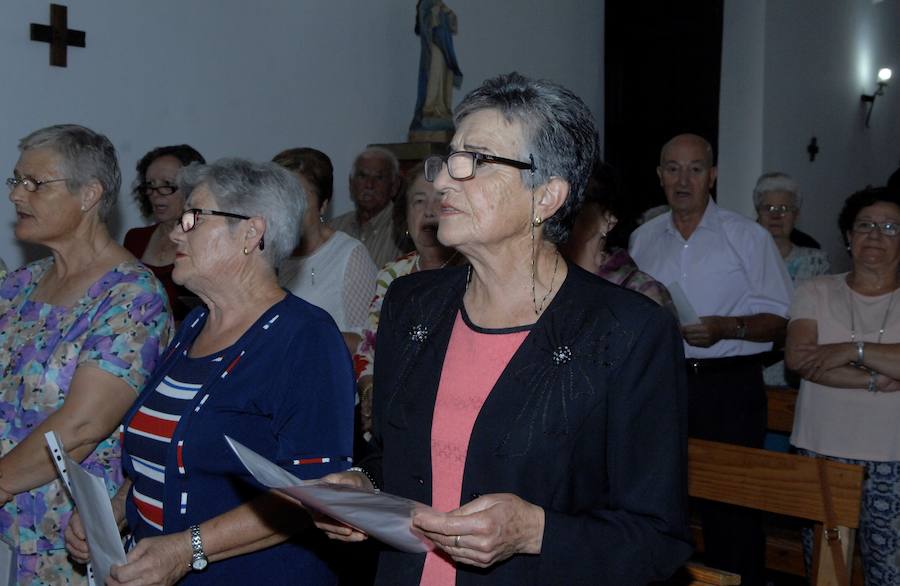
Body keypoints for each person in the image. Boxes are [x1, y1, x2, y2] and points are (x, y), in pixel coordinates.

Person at [317, 72, 692, 585]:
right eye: (450, 158)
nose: (444, 180)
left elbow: (656, 539)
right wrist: (361, 485)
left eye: (476, 161)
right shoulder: (412, 305)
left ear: (546, 197)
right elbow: (395, 456)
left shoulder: (626, 332)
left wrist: (536, 531)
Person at [65, 159, 355, 585]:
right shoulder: (198, 324)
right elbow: (167, 450)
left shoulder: (305, 337)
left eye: (193, 218)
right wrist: (114, 512)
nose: (175, 231)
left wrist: (187, 549)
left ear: (251, 233)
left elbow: (315, 492)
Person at [1, 124, 172, 584]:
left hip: (64, 539)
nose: (17, 195)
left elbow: (82, 426)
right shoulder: (18, 286)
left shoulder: (132, 298)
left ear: (89, 194)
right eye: (15, 181)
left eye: (35, 183)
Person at [629, 133, 793, 585]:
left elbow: (781, 318)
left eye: (696, 168)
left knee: (732, 510)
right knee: (662, 499)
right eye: (673, 168)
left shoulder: (747, 236)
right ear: (659, 176)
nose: (684, 179)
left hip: (729, 385)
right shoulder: (643, 239)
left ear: (713, 176)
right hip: (664, 384)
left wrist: (727, 328)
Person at [785, 186, 900, 586]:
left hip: (894, 459)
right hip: (823, 451)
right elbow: (800, 358)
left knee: (891, 572)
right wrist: (875, 375)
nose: (876, 235)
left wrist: (851, 349)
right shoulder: (815, 290)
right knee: (825, 570)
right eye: (865, 225)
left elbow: (822, 358)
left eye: (889, 227)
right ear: (848, 236)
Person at [354, 162, 461, 436]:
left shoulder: (473, 274)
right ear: (405, 216)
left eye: (440, 199)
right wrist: (369, 392)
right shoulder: (393, 273)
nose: (429, 210)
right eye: (418, 201)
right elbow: (368, 348)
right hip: (391, 421)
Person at [273, 147, 377, 354]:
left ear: (323, 205)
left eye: (300, 199)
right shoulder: (267, 253)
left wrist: (300, 331)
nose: (289, 208)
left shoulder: (348, 255)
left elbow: (365, 343)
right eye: (280, 197)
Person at [560, 160, 673, 310]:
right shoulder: (548, 282)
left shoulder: (643, 293)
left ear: (608, 219)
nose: (563, 212)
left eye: (578, 202)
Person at [753, 172, 830, 390]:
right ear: (758, 213)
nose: (776, 215)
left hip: (797, 368)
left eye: (784, 209)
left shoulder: (816, 261)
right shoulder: (741, 261)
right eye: (768, 208)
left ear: (795, 215)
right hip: (749, 364)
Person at [124, 145, 206, 322]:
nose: (155, 195)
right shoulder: (134, 238)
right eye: (150, 185)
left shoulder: (204, 241)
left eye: (167, 185)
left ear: (193, 189)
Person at [331, 147, 403, 268]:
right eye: (362, 176)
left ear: (394, 186)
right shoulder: (334, 228)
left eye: (379, 177)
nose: (369, 185)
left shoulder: (403, 230)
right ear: (351, 183)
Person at [409, 0, 464, 136]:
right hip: (434, 46)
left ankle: (442, 109)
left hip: (445, 48)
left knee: (445, 78)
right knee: (434, 76)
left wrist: (448, 14)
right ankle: (430, 108)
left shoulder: (441, 4)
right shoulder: (425, 4)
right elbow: (423, 25)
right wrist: (434, 15)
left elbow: (453, 25)